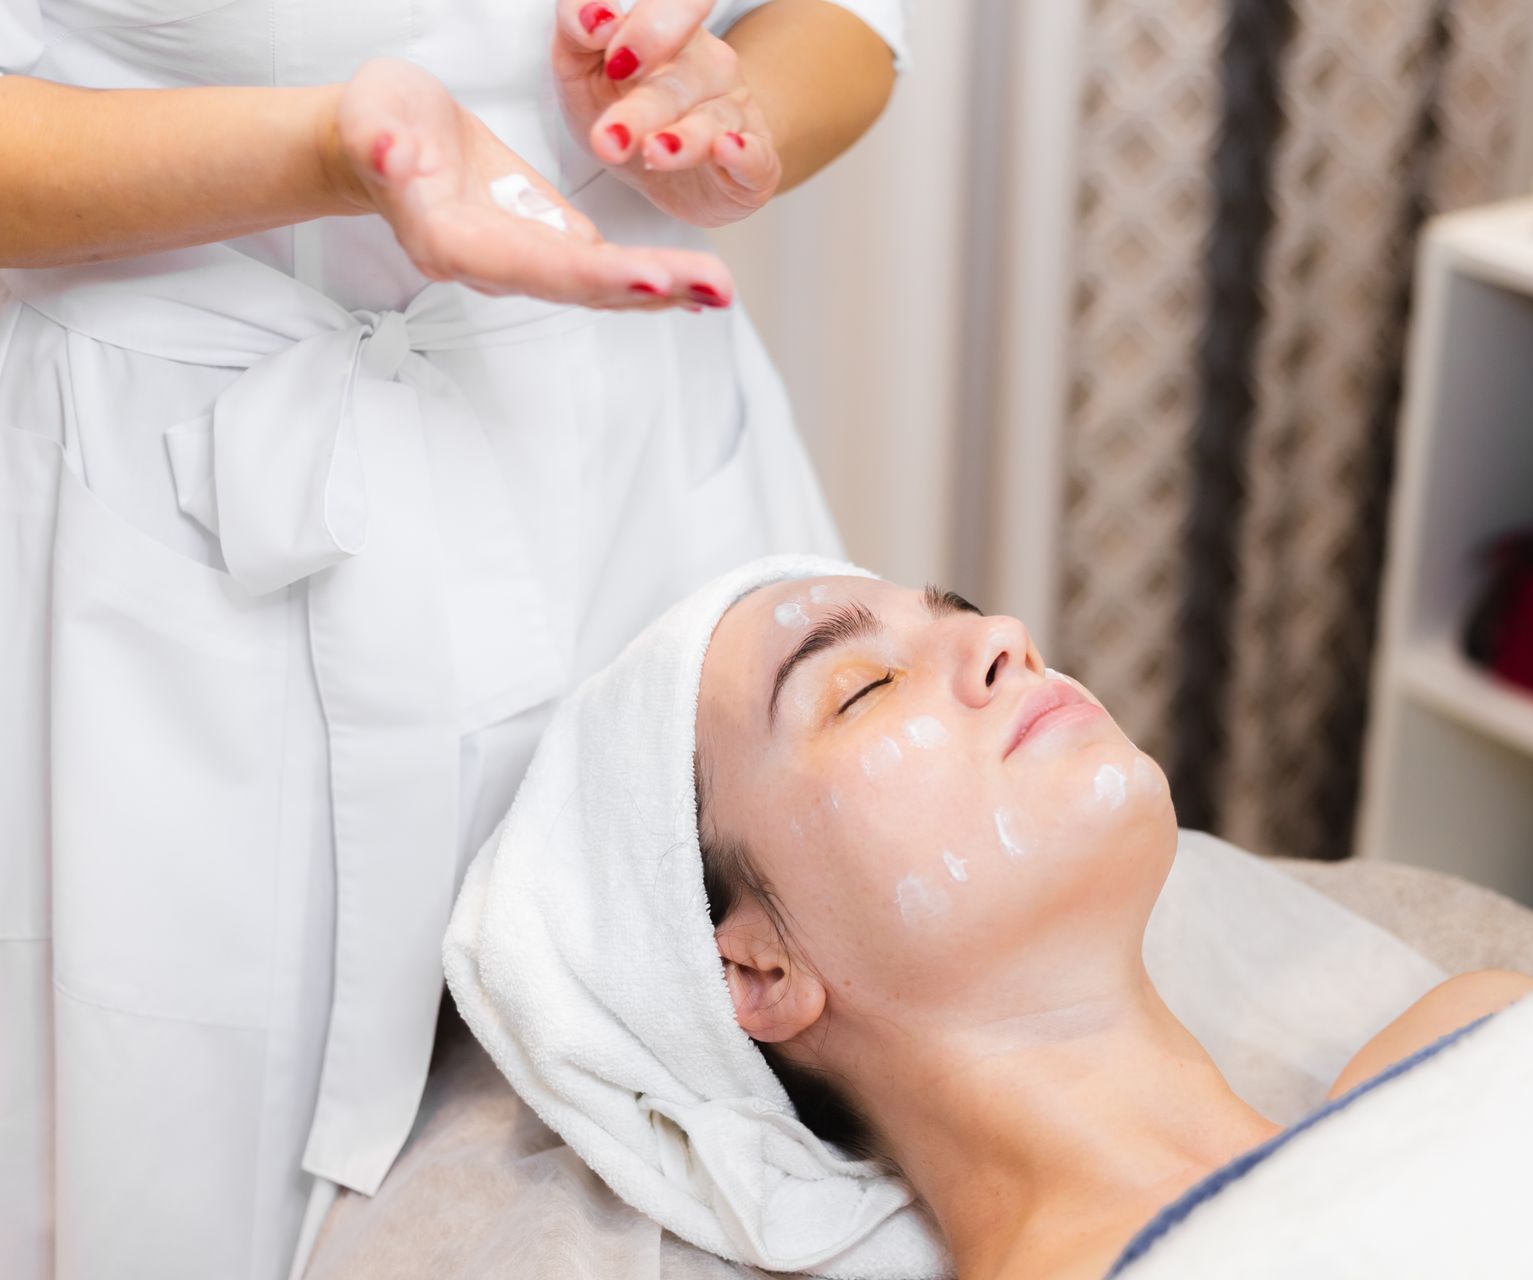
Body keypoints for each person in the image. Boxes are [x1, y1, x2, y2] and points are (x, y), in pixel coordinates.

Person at [0, 3, 905, 1276]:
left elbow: (853, 20)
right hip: (181, 516)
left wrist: (732, 107)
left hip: (636, 459)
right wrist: (321, 155)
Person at [691, 570, 1533, 1278]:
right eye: (863, 688)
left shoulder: (1487, 1042)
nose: (1005, 636)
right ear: (762, 970)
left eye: (964, 612)